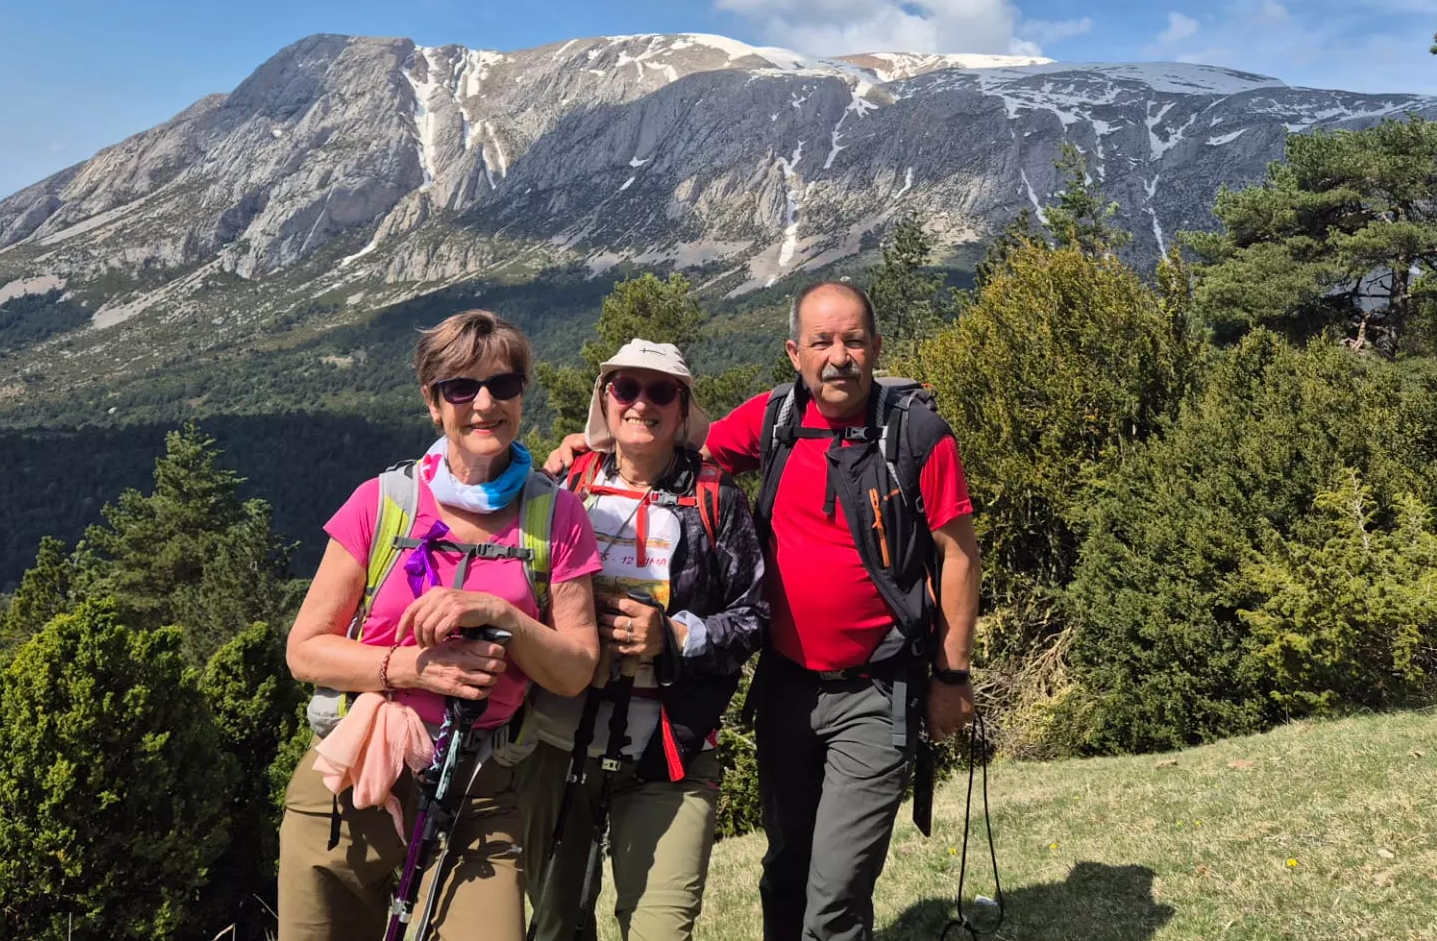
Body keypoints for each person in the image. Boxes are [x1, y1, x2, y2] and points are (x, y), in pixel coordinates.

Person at [549, 281, 980, 941]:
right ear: (794, 352)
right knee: (784, 871)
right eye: (822, 342)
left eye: (854, 340)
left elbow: (958, 556)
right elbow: (673, 455)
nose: (839, 357)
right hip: (786, 687)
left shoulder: (917, 435)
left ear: (877, 346)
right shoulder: (774, 418)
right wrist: (590, 449)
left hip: (879, 684)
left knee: (834, 895)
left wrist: (950, 678)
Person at [279, 310, 602, 941]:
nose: (484, 404)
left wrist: (502, 615)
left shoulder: (557, 515)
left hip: (482, 790)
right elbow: (304, 651)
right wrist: (412, 668)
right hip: (350, 783)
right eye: (461, 388)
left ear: (521, 395)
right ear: (434, 403)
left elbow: (575, 670)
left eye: (503, 386)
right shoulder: (381, 503)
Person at [516, 339, 766, 941]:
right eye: (626, 389)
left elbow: (755, 615)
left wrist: (674, 636)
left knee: (660, 929)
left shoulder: (718, 500)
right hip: (557, 740)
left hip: (671, 753)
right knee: (550, 928)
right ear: (605, 400)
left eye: (660, 392)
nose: (641, 405)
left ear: (682, 409)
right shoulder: (559, 486)